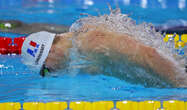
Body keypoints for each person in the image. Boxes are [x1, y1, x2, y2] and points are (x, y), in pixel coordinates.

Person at [21, 9, 186, 88]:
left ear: (49, 52)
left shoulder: (90, 43)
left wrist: (181, 89)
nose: (53, 73)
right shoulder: (78, 46)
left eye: (47, 71)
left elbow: (149, 55)